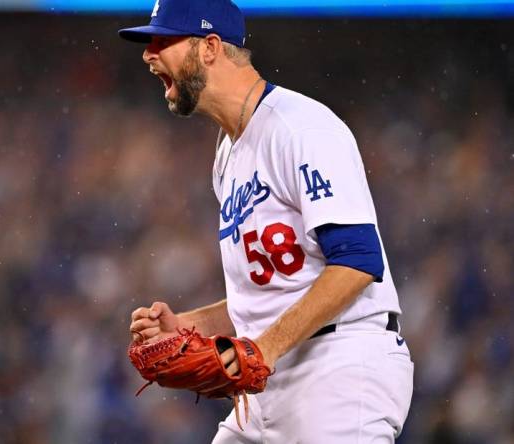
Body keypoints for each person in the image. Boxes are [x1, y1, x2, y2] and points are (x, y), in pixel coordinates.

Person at [119, 0, 414, 442]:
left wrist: (263, 350)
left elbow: (357, 261)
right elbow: (267, 298)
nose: (148, 54)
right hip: (268, 382)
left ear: (211, 47)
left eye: (163, 40)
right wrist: (187, 325)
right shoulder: (228, 153)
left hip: (340, 366)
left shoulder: (302, 128)